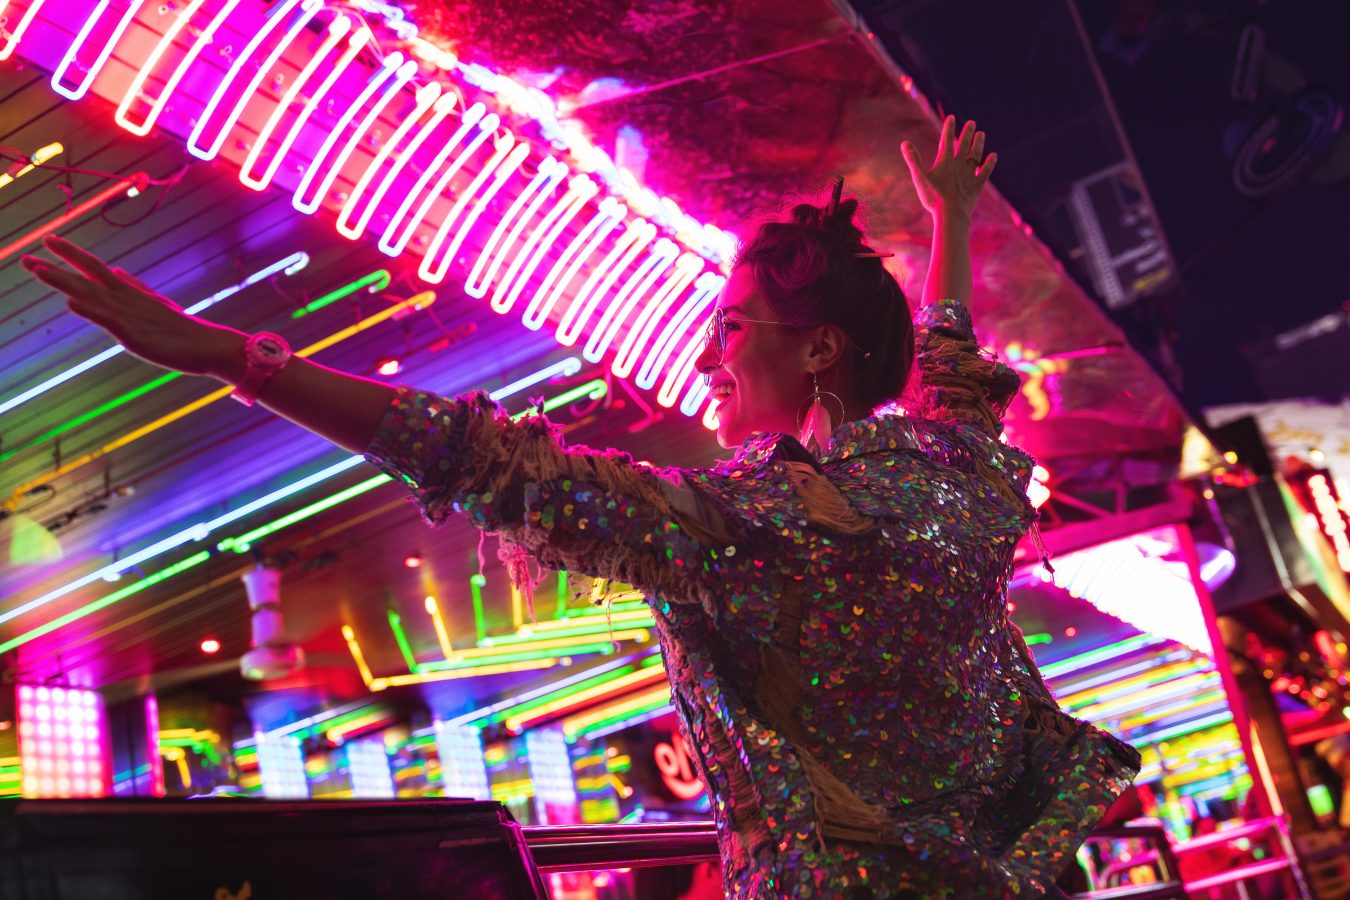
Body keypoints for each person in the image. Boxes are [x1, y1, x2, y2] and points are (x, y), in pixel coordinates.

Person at [21, 116, 1141, 897]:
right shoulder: (962, 477)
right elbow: (949, 362)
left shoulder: (769, 522)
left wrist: (240, 358)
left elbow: (495, 464)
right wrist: (947, 214)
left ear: (822, 349)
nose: (709, 353)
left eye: (735, 326)